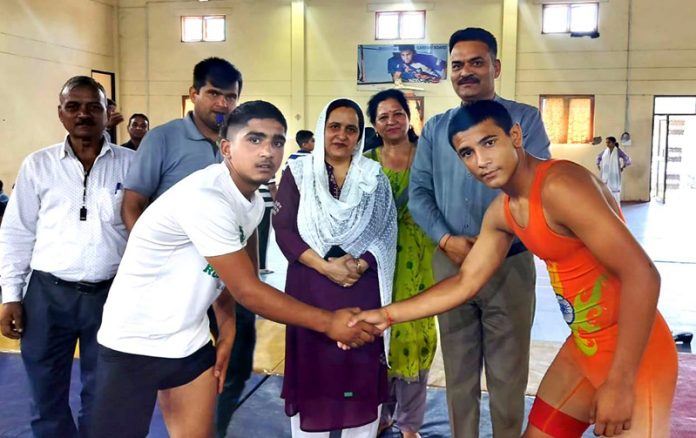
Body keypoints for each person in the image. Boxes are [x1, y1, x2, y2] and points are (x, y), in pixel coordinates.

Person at [349, 99, 678, 438]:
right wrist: (387, 315)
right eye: (467, 152)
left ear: (516, 136)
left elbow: (643, 274)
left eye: (489, 142)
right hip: (584, 348)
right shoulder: (504, 210)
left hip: (637, 356)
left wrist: (621, 382)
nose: (481, 161)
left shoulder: (560, 185)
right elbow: (465, 283)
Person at [91, 100, 381, 438]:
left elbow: (232, 277)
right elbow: (249, 290)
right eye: (254, 140)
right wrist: (330, 322)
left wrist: (227, 329)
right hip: (133, 343)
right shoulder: (206, 198)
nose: (268, 151)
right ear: (227, 148)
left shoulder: (253, 202)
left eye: (276, 141)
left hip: (189, 341)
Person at [408, 27, 551, 437]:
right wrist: (446, 239)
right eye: (457, 65)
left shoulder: (523, 119)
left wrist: (496, 240)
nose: (465, 72)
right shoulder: (436, 128)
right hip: (451, 260)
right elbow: (419, 192)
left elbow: (534, 186)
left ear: (495, 67)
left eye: (476, 62)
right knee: (458, 369)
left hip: (509, 261)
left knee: (508, 373)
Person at [119, 57, 253, 437]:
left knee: (235, 360)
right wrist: (154, 264)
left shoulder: (239, 145)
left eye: (231, 97)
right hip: (175, 289)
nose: (222, 104)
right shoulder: (164, 138)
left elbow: (249, 215)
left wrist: (250, 273)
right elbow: (132, 205)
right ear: (194, 94)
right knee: (169, 370)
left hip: (226, 281)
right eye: (213, 94)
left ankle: (211, 427)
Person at [0, 76, 134, 438]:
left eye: (94, 106)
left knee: (104, 395)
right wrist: (10, 295)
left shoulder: (131, 165)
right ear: (60, 114)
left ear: (109, 113)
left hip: (110, 297)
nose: (83, 114)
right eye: (73, 106)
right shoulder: (38, 166)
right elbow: (17, 232)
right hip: (46, 297)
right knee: (46, 397)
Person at [273, 98, 397, 437]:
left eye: (351, 128)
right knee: (314, 367)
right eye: (334, 126)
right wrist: (327, 268)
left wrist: (360, 263)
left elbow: (386, 229)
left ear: (359, 135)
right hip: (310, 288)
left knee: (358, 366)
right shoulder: (298, 173)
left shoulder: (373, 177)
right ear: (321, 129)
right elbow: (284, 229)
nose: (342, 135)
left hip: (361, 286)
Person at [365, 89, 436, 438]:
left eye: (397, 113)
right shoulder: (365, 163)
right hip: (376, 261)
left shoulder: (430, 157)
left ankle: (410, 424)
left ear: (409, 117)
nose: (391, 121)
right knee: (379, 335)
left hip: (421, 256)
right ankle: (381, 413)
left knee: (415, 334)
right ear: (374, 125)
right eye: (383, 116)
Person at [596, 136, 631, 204]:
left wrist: (623, 167)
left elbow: (627, 159)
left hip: (614, 173)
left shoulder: (618, 151)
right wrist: (598, 165)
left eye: (609, 142)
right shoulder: (605, 151)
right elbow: (598, 157)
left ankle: (615, 205)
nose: (607, 144)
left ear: (614, 143)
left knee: (614, 190)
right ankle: (607, 205)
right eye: (606, 142)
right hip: (605, 174)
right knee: (605, 189)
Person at [257, 177, 277, 275]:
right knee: (263, 236)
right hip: (265, 205)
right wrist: (278, 203)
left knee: (256, 236)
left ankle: (255, 265)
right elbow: (272, 187)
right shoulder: (267, 167)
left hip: (254, 205)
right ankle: (261, 266)